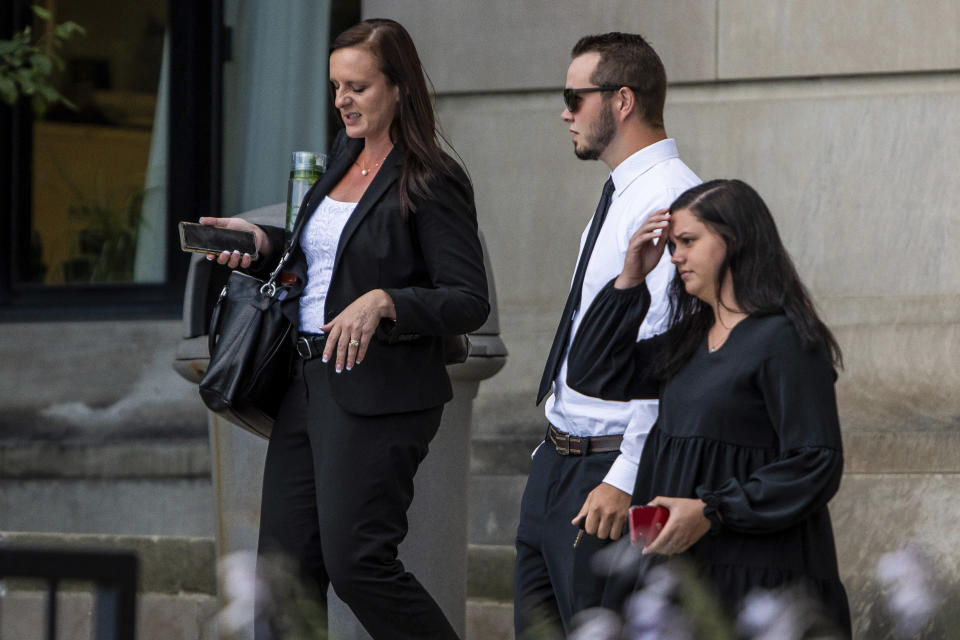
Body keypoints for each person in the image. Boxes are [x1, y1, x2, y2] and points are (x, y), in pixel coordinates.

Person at [200, 19, 489, 640]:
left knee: (358, 564)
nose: (343, 101)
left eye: (357, 86)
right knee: (283, 576)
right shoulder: (341, 157)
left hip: (378, 392)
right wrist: (263, 241)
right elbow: (326, 259)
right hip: (304, 384)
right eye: (336, 87)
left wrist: (386, 300)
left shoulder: (431, 178)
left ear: (400, 88)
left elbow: (467, 300)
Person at [566, 179, 851, 635]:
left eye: (688, 242)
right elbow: (592, 372)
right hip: (679, 575)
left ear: (732, 240)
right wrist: (631, 277)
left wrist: (713, 511)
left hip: (754, 576)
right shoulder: (689, 340)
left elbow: (815, 461)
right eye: (672, 243)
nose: (675, 255)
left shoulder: (785, 340)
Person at [514, 32, 700, 637]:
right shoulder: (624, 191)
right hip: (559, 462)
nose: (564, 111)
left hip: (611, 474)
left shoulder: (670, 197)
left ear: (622, 101)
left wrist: (626, 475)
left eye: (575, 96)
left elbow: (668, 353)